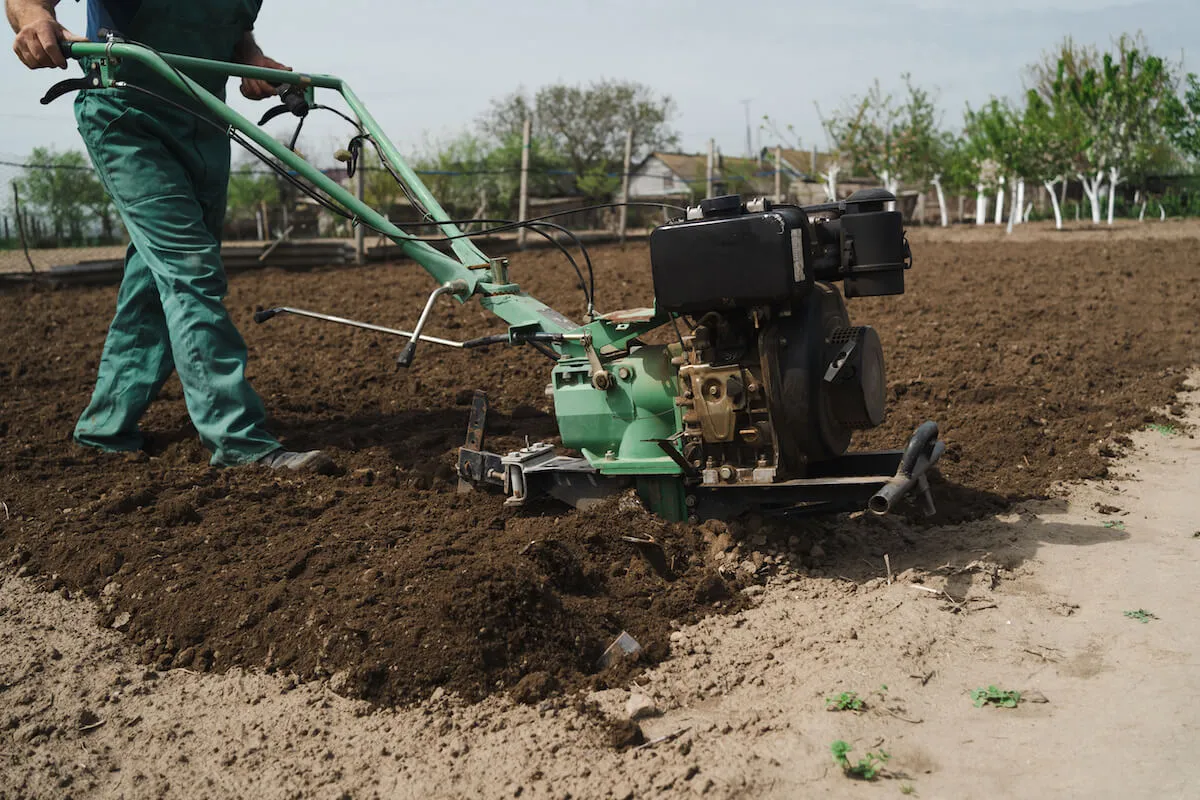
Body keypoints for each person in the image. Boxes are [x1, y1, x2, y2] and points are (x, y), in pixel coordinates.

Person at [7, 0, 332, 471]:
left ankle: (106, 426)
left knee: (155, 280)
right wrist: (35, 20)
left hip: (205, 123)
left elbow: (235, 29)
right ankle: (238, 441)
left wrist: (253, 60)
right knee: (189, 267)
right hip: (126, 115)